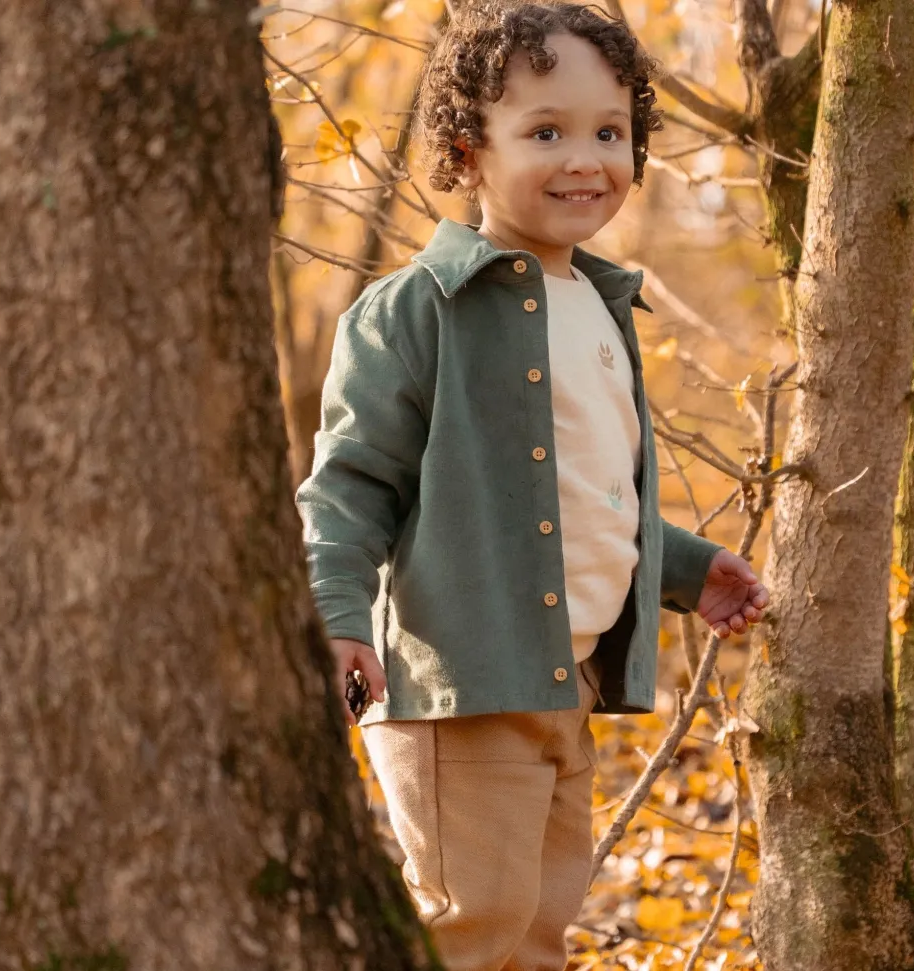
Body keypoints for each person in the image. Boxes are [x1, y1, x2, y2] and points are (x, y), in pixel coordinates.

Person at [296, 2, 769, 968]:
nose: (585, 158)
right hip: (456, 686)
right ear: (468, 152)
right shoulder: (415, 311)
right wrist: (336, 614)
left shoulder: (599, 304)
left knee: (540, 932)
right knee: (475, 927)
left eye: (610, 132)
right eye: (545, 131)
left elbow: (586, 495)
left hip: (566, 681)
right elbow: (349, 485)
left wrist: (687, 570)